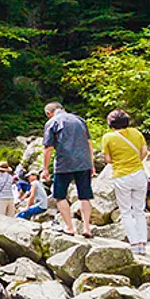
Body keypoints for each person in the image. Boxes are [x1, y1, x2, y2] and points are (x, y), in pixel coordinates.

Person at [101, 108, 150, 253]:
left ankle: (134, 244)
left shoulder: (108, 138)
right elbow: (145, 152)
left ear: (111, 124)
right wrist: (136, 161)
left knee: (126, 211)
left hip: (121, 176)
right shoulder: (136, 133)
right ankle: (143, 243)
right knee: (139, 210)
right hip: (139, 174)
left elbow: (107, 159)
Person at [41, 101, 94, 237]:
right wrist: (91, 164)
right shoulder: (80, 120)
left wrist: (45, 169)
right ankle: (87, 228)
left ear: (49, 113)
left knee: (60, 196)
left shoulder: (52, 122)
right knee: (85, 196)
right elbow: (89, 144)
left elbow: (48, 148)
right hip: (84, 162)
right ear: (62, 109)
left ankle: (70, 227)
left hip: (64, 163)